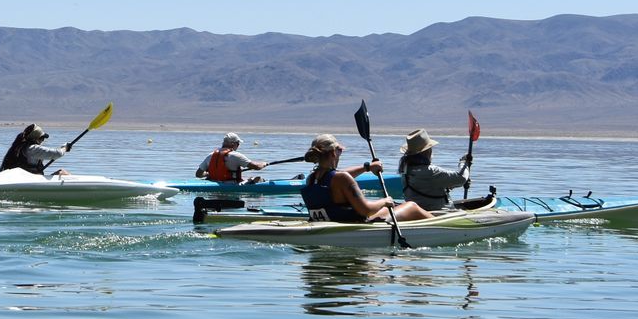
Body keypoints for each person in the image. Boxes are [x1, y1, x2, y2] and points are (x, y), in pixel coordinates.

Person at [298, 133, 431, 223]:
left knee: (388, 209)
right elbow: (366, 210)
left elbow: (337, 176)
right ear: (333, 153)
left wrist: (367, 167)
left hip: (334, 222)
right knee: (411, 205)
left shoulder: (312, 178)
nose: (341, 154)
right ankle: (442, 224)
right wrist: (385, 200)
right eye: (340, 151)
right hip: (356, 225)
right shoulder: (341, 179)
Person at [395, 129, 486, 212]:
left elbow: (426, 187)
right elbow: (461, 178)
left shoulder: (406, 169)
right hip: (439, 212)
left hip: (421, 210)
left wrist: (451, 185)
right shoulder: (431, 171)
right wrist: (464, 162)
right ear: (427, 152)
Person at [0, 123, 70, 175]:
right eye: (42, 138)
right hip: (30, 182)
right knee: (63, 172)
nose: (43, 141)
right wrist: (65, 148)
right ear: (36, 139)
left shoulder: (18, 148)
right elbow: (58, 153)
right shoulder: (33, 149)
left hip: (25, 180)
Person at [195, 133, 265, 182]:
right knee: (258, 179)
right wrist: (263, 164)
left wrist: (209, 173)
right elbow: (257, 167)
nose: (238, 146)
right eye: (238, 144)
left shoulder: (211, 155)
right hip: (231, 185)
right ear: (233, 144)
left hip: (213, 183)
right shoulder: (236, 156)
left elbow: (198, 174)